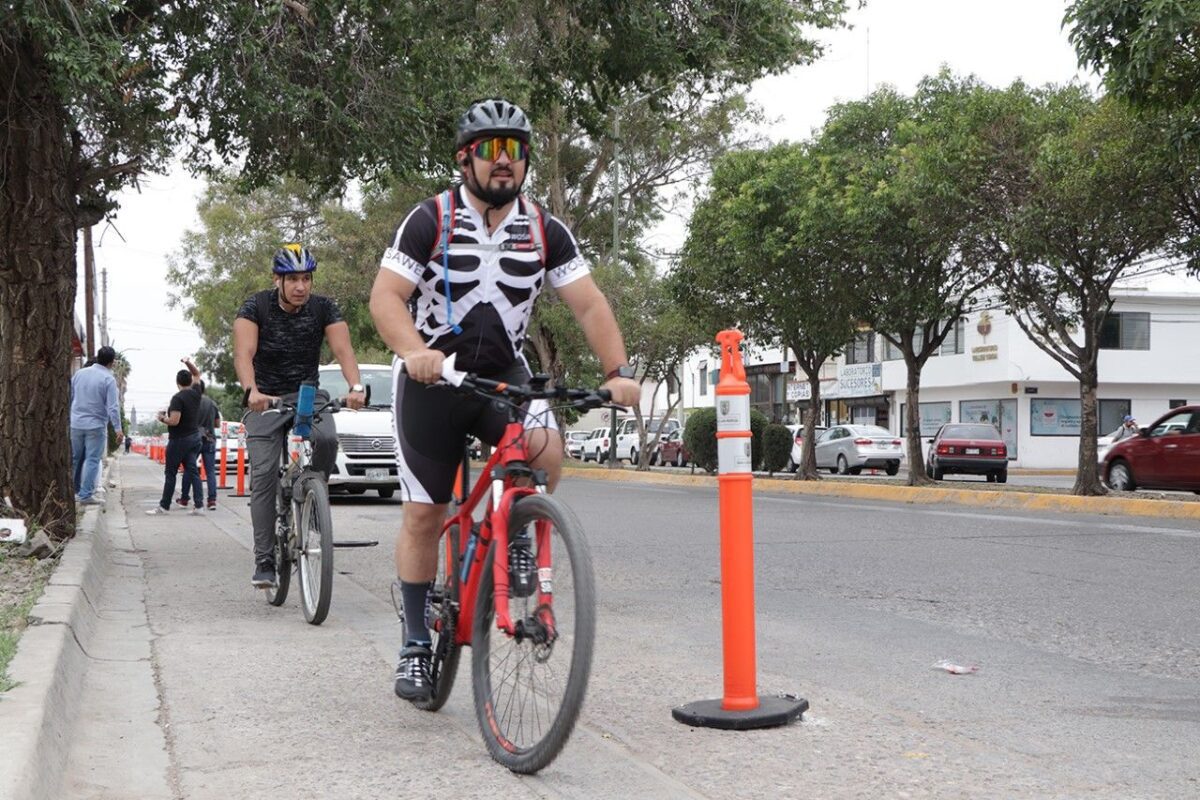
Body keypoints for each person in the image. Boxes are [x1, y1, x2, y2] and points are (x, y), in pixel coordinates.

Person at [369, 97, 641, 702]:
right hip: (434, 379)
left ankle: (517, 526)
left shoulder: (544, 229)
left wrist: (617, 370)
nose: (504, 163)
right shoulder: (430, 219)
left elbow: (590, 303)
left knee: (545, 453)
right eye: (491, 150)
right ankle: (415, 641)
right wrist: (416, 351)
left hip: (504, 378)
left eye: (515, 151)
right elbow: (386, 297)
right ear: (465, 159)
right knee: (424, 513)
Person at [233, 243, 368, 588]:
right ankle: (264, 559)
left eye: (306, 278)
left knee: (327, 439)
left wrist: (356, 386)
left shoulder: (324, 308)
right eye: (292, 278)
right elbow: (244, 353)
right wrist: (252, 392)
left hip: (307, 395)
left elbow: (343, 350)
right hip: (265, 399)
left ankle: (311, 499)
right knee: (263, 476)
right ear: (277, 279)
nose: (300, 286)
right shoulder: (256, 306)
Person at [69, 345, 124, 505]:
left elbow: (71, 396)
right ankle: (85, 495)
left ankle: (74, 491)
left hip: (76, 423)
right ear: (112, 362)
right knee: (92, 459)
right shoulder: (108, 379)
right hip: (95, 425)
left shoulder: (79, 374)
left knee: (75, 459)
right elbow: (113, 407)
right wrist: (118, 429)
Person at [146, 370, 203, 516]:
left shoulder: (177, 398)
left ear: (177, 382)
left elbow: (174, 421)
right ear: (190, 381)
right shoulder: (196, 393)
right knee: (192, 471)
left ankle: (164, 506)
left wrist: (161, 418)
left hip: (179, 439)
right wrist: (187, 362)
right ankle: (199, 505)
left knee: (170, 473)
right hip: (194, 438)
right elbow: (197, 373)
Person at [177, 359, 222, 511]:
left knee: (190, 469)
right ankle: (212, 500)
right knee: (210, 471)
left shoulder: (190, 401)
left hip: (193, 439)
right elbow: (217, 424)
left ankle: (184, 499)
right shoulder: (212, 403)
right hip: (209, 439)